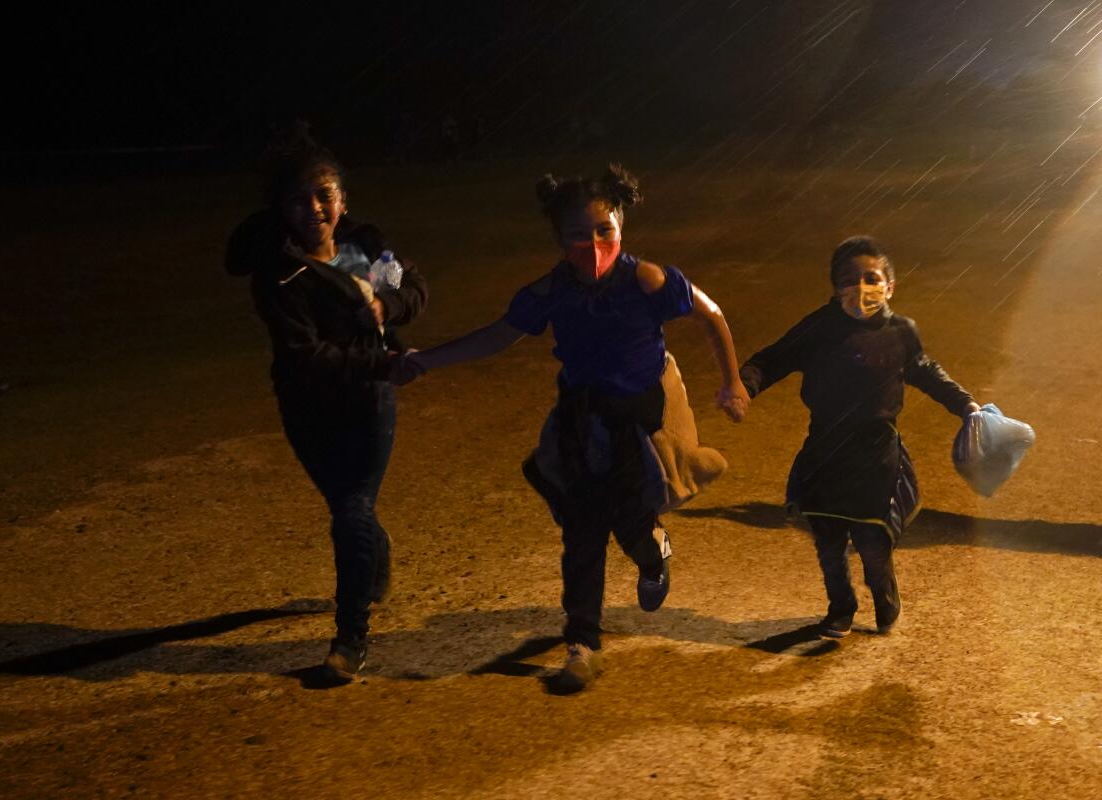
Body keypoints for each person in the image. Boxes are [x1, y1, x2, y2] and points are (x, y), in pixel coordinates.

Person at [393, 164, 748, 692]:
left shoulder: (646, 279)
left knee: (626, 517)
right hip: (582, 419)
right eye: (578, 234)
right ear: (559, 240)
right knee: (582, 530)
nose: (594, 243)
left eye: (604, 229)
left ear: (621, 225)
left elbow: (712, 314)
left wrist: (733, 383)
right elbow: (496, 336)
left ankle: (652, 552)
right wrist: (426, 360)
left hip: (639, 422)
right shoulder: (552, 291)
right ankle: (582, 643)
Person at [225, 141, 429, 682]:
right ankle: (374, 549)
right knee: (351, 509)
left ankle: (350, 637)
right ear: (281, 212)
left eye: (324, 194)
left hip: (370, 405)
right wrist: (382, 362)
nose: (314, 208)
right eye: (298, 200)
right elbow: (304, 356)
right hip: (310, 411)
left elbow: (413, 286)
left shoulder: (366, 245)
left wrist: (387, 305)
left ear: (342, 199)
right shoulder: (279, 275)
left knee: (351, 507)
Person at [738, 236, 979, 639]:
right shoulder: (819, 327)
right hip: (825, 453)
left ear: (890, 285)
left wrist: (966, 405)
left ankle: (884, 598)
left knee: (873, 543)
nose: (861, 287)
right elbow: (773, 358)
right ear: (835, 288)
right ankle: (840, 608)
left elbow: (926, 372)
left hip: (876, 457)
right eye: (849, 279)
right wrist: (744, 385)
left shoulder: (901, 332)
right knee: (829, 543)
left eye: (871, 277)